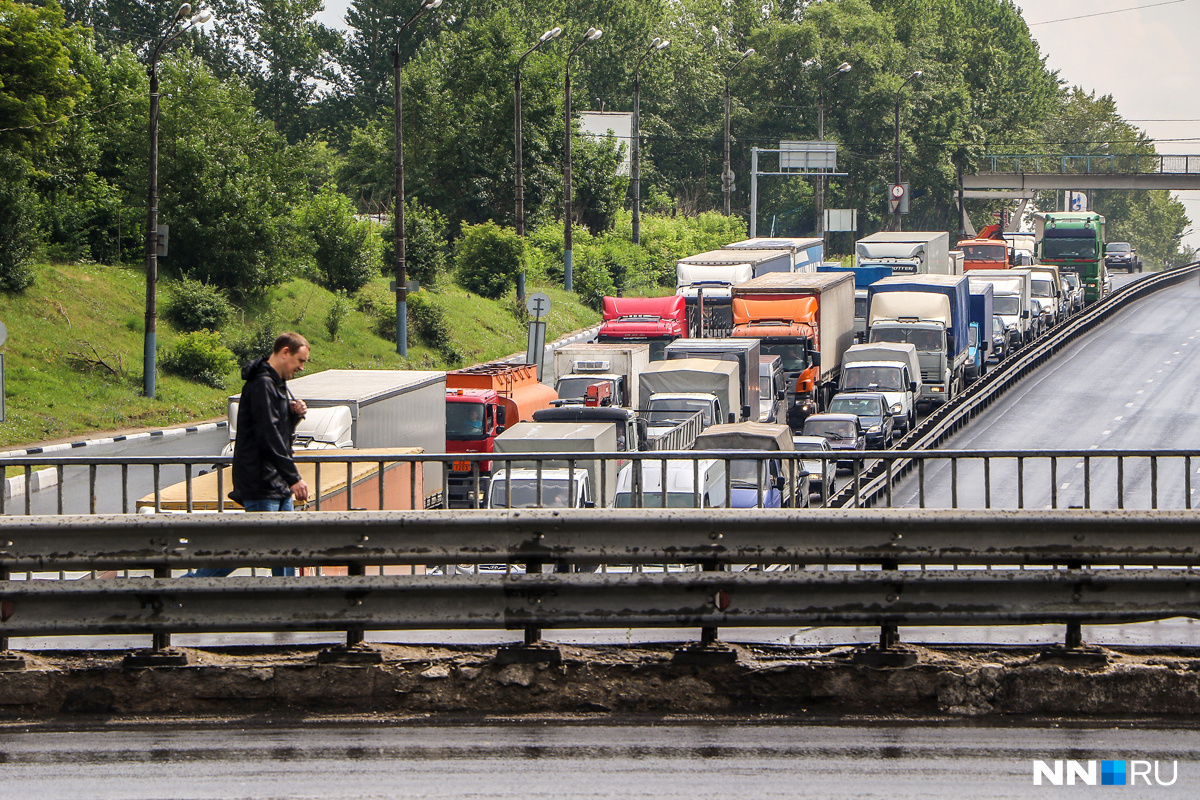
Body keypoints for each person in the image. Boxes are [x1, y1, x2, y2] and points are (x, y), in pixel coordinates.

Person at [192, 333, 311, 578]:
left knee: (284, 549)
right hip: (261, 482)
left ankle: (288, 604)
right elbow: (267, 436)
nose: (301, 367)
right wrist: (293, 478)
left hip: (275, 481)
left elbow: (278, 433)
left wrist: (294, 416)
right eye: (300, 360)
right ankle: (187, 586)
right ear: (285, 352)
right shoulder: (261, 385)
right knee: (252, 547)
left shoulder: (278, 385)